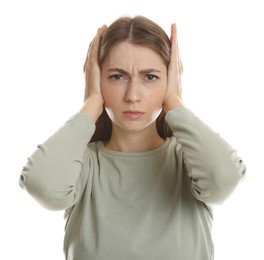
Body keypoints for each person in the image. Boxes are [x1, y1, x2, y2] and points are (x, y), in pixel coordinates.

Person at [19, 15, 246, 260]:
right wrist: (93, 99)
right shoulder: (82, 166)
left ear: (170, 81)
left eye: (150, 77)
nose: (133, 95)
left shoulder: (190, 163)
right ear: (97, 79)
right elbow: (41, 184)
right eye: (117, 76)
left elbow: (224, 179)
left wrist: (174, 101)